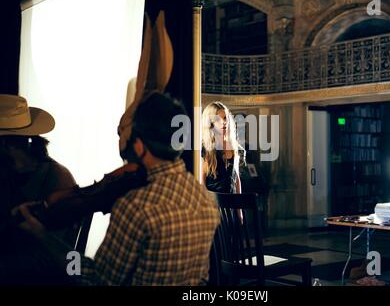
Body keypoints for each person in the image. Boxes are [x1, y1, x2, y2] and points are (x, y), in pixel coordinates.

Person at [16, 92, 220, 285]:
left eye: (123, 133)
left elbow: (96, 280)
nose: (121, 139)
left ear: (139, 146)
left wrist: (46, 240)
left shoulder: (137, 206)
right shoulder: (205, 199)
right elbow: (202, 279)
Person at [0, 94, 77, 284]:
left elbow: (65, 256)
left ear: (7, 145)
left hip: (44, 273)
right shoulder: (8, 173)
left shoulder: (57, 179)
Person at [202, 101, 244, 194]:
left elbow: (236, 177)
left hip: (231, 202)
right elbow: (201, 180)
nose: (223, 122)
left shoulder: (233, 145)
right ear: (211, 123)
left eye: (225, 118)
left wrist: (239, 207)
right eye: (218, 120)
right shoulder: (205, 147)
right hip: (213, 202)